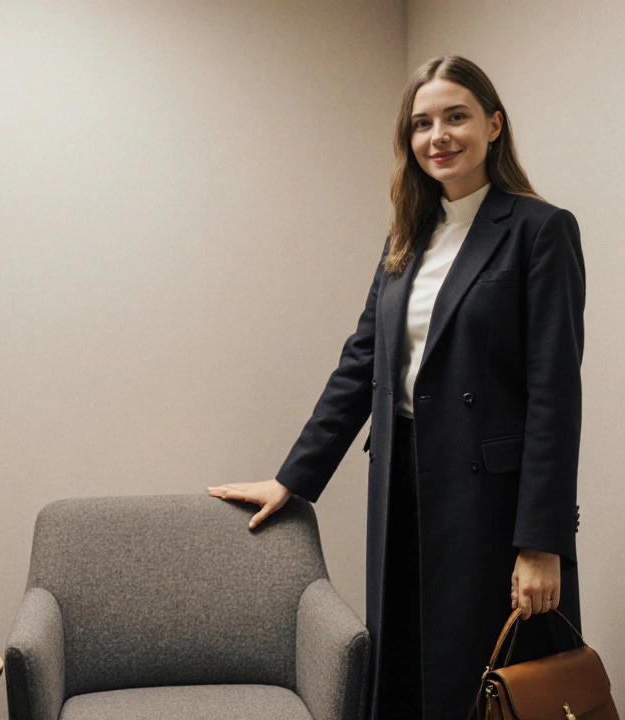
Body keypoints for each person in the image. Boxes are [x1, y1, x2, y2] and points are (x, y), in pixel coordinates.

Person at [207, 55, 585, 719]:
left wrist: (541, 541)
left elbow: (554, 393)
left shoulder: (540, 230)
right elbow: (362, 364)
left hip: (491, 504)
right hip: (402, 484)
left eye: (456, 117)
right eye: (422, 123)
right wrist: (294, 476)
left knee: (492, 687)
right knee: (408, 675)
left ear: (493, 125)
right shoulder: (409, 233)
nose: (439, 134)